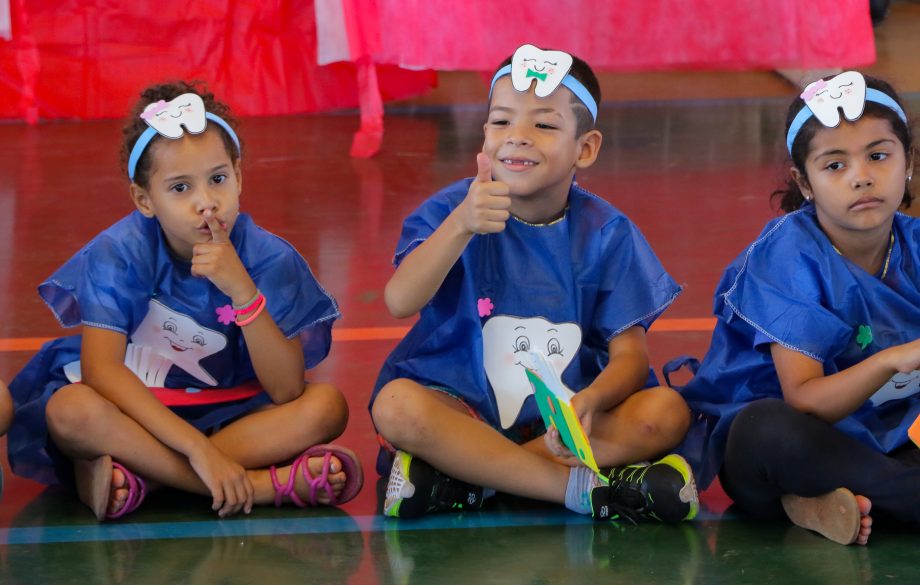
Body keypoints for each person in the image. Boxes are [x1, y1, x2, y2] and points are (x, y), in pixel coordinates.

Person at [370, 44, 698, 523]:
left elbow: (631, 358)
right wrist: (461, 225)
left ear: (584, 148)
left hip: (564, 427)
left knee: (667, 411)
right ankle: (579, 489)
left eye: (543, 125)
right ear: (484, 137)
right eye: (502, 122)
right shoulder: (453, 210)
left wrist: (591, 400)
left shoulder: (608, 233)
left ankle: (468, 480)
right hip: (465, 409)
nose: (518, 138)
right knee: (397, 406)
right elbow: (399, 300)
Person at [6, 81, 362, 520]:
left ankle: (147, 478)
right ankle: (258, 485)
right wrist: (198, 451)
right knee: (69, 412)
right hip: (137, 410)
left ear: (239, 176)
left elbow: (286, 389)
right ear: (145, 199)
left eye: (217, 179)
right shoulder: (117, 252)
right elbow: (101, 371)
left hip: (232, 409)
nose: (206, 203)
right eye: (180, 188)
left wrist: (243, 291)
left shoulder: (269, 258)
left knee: (326, 407)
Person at [677, 72, 918, 545]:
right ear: (804, 183)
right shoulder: (787, 255)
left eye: (878, 156)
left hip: (887, 438)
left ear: (907, 162)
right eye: (834, 166)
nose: (861, 176)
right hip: (794, 439)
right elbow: (806, 399)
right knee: (764, 431)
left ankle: (829, 501)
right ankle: (892, 494)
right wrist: (892, 358)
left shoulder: (912, 243)